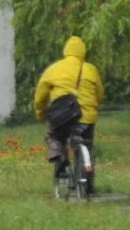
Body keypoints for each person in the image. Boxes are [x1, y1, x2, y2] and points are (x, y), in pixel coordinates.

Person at [33, 36, 104, 191]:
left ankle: (59, 156)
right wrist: (92, 106)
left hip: (62, 117)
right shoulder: (91, 69)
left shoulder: (54, 69)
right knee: (87, 145)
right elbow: (99, 94)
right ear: (83, 52)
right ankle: (88, 184)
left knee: (56, 136)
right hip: (86, 118)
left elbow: (40, 95)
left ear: (65, 50)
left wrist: (40, 112)